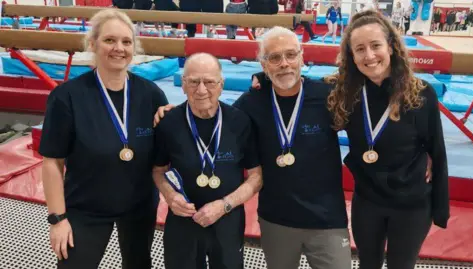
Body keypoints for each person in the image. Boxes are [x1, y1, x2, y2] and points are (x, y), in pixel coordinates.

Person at [252, 10, 448, 269]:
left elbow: (438, 150)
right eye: (360, 49)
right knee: (368, 264)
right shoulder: (345, 91)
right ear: (351, 56)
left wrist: (440, 209)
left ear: (390, 46)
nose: (369, 56)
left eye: (375, 46)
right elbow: (292, 80)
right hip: (368, 201)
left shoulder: (421, 93)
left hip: (411, 204)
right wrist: (263, 79)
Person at [154, 27, 352, 269]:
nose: (284, 64)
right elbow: (210, 111)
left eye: (290, 55)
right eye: (274, 58)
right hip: (277, 220)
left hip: (327, 220)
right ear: (263, 63)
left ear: (302, 56)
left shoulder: (328, 96)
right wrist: (171, 111)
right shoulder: (249, 104)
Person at [39, 9, 168, 269]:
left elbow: (168, 154)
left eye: (126, 41)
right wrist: (58, 219)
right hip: (86, 207)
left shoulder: (151, 95)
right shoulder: (67, 97)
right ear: (93, 44)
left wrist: (176, 121)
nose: (118, 48)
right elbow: (52, 162)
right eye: (110, 40)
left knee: (139, 264)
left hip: (139, 206)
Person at [152, 53, 262, 269]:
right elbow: (158, 170)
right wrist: (170, 196)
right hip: (183, 219)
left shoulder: (240, 122)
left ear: (221, 85)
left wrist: (224, 205)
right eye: (193, 82)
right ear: (182, 85)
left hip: (227, 219)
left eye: (209, 82)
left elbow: (256, 177)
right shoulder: (168, 123)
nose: (201, 90)